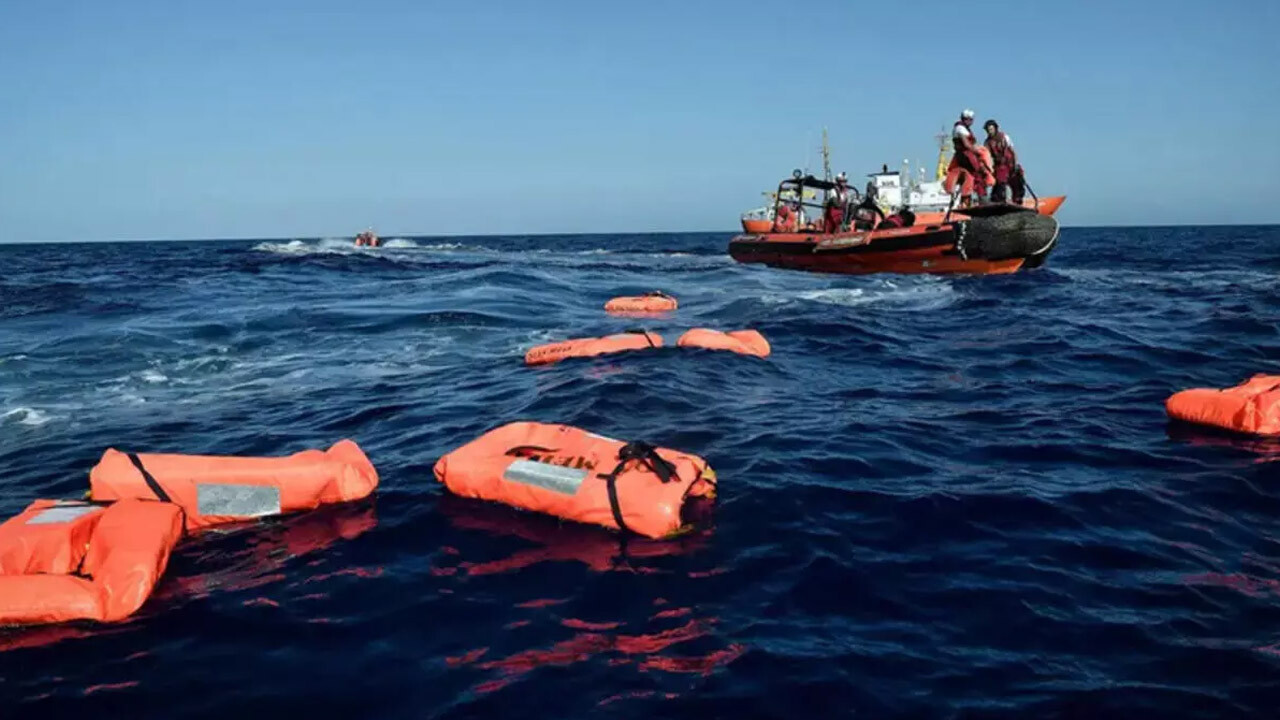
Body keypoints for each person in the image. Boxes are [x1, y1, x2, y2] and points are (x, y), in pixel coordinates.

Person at [948, 109, 990, 205]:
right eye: (969, 119)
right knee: (978, 174)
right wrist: (978, 152)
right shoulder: (960, 128)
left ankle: (967, 201)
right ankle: (982, 199)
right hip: (966, 155)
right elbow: (967, 145)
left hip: (964, 155)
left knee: (969, 178)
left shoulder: (963, 128)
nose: (970, 122)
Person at [983, 120, 1022, 204]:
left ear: (995, 129)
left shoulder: (1004, 137)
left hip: (1010, 163)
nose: (989, 132)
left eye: (991, 129)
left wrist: (1015, 164)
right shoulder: (987, 142)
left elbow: (1012, 151)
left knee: (1017, 181)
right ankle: (999, 199)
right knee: (1000, 181)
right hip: (999, 166)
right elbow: (987, 156)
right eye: (988, 130)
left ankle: (1017, 199)